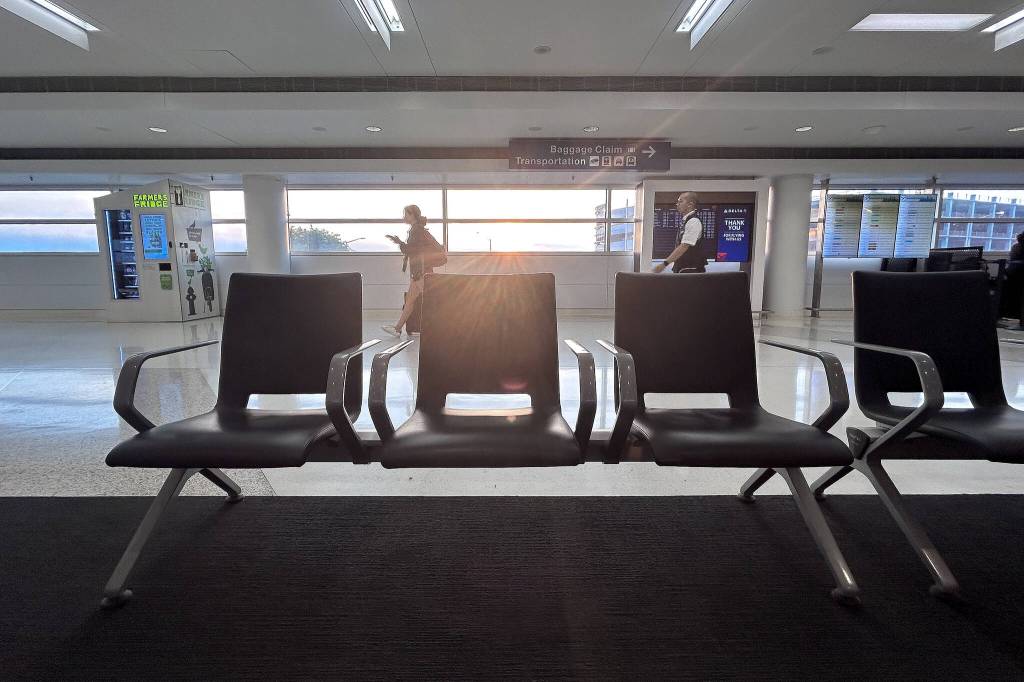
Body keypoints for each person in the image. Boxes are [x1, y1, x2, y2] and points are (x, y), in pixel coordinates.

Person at [381, 205, 441, 337]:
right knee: (410, 300)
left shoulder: (417, 230)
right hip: (419, 270)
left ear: (413, 215)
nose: (404, 216)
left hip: (421, 271)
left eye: (406, 214)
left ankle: (441, 328)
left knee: (430, 300)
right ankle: (397, 328)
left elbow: (411, 250)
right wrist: (400, 242)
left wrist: (399, 243)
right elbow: (414, 249)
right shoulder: (416, 229)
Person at [654, 191, 707, 274]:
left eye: (680, 201)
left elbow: (684, 246)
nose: (677, 204)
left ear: (690, 204)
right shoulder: (686, 220)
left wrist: (664, 264)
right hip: (684, 269)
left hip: (691, 270)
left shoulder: (693, 221)